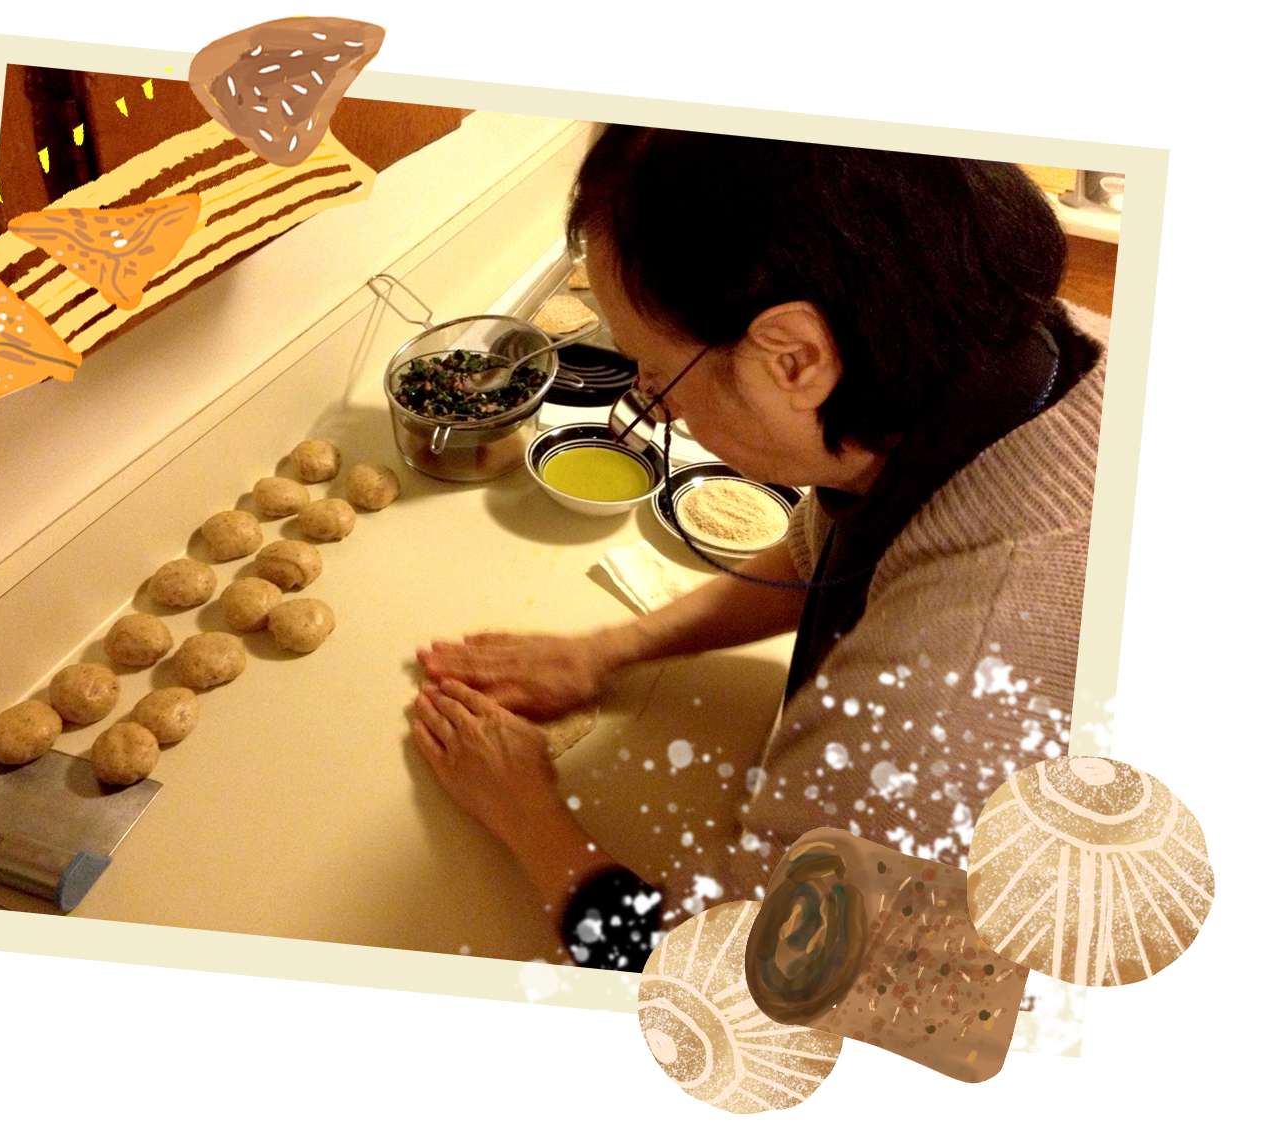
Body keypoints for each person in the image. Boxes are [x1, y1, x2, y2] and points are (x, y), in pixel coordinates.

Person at [410, 125, 1108, 970]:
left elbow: (750, 990)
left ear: (795, 358)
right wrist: (607, 650)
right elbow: (821, 550)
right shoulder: (1008, 357)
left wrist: (527, 813)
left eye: (654, 374)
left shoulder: (942, 710)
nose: (655, 404)